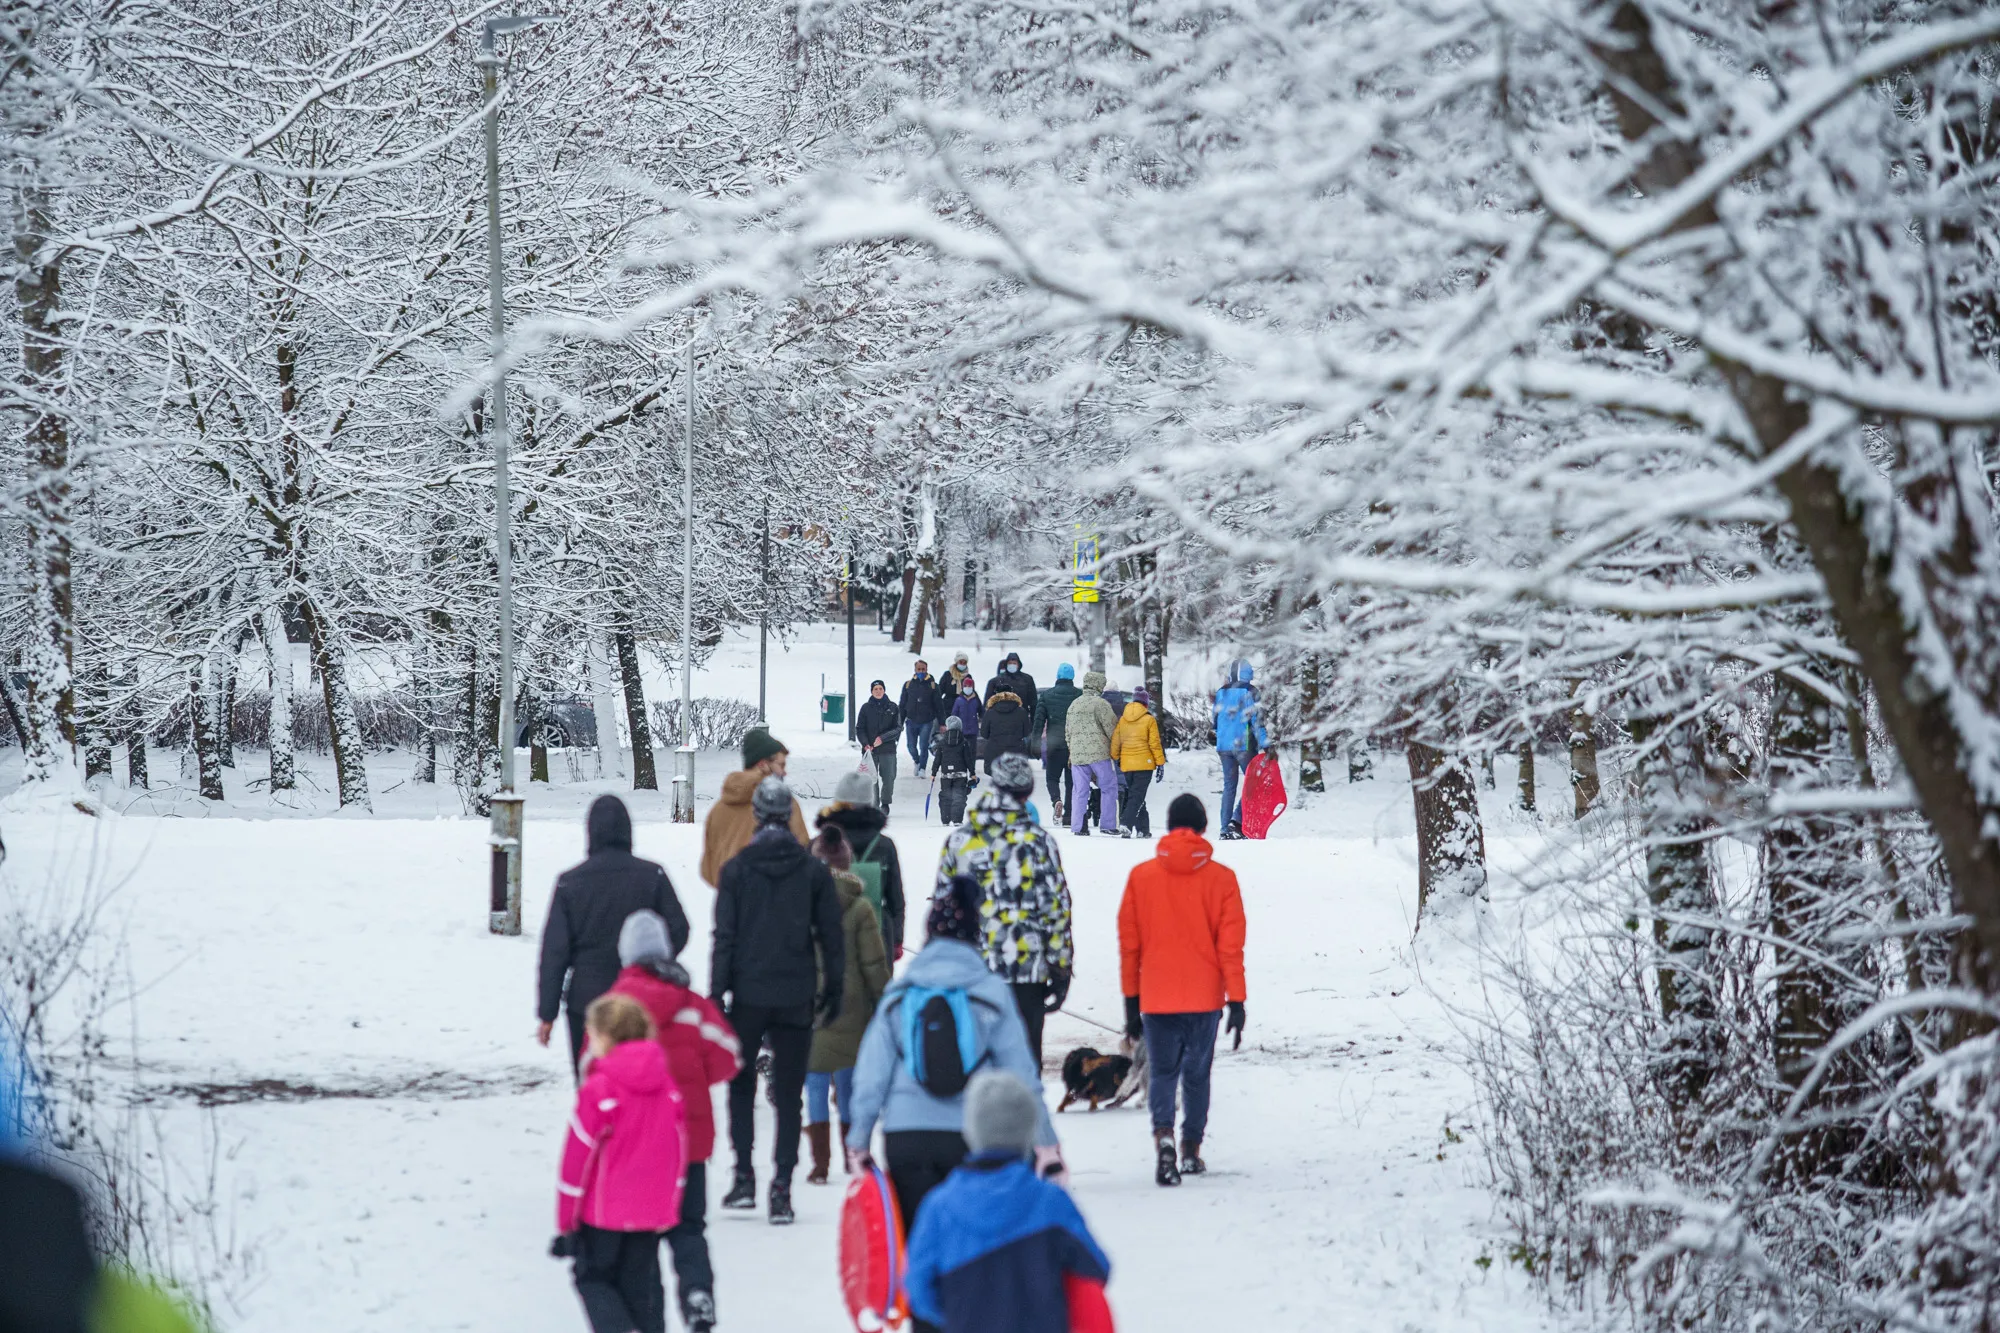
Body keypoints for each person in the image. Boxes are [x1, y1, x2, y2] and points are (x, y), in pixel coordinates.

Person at [844, 875, 1060, 1244]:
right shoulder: (991, 994)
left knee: (920, 1252)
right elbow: (1022, 1075)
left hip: (906, 1139)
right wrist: (1047, 1146)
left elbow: (870, 1077)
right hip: (973, 1140)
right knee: (971, 1254)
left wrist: (859, 1141)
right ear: (976, 936)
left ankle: (921, 1303)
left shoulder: (899, 995)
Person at [710, 776, 845, 1225]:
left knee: (741, 1086)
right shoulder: (812, 872)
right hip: (796, 992)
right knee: (789, 1094)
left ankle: (745, 1176)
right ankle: (782, 1187)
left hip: (747, 994)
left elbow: (724, 937)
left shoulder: (736, 869)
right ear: (788, 816)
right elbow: (831, 936)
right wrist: (833, 989)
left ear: (757, 815)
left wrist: (716, 991)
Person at [608, 911, 741, 1333]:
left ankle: (651, 1321)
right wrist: (697, 1076)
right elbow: (729, 1057)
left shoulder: (613, 1010)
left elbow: (594, 1070)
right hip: (688, 1143)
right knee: (688, 1228)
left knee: (642, 1237)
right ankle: (698, 1294)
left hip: (634, 1148)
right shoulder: (691, 1005)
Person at [903, 1072, 1112, 1333]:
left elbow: (918, 1288)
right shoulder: (1050, 1202)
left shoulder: (938, 1207)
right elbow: (1096, 1267)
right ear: (1029, 1133)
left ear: (970, 1131)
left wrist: (956, 1316)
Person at [1118, 794, 1247, 1187]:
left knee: (1162, 1073)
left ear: (1169, 825)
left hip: (1156, 998)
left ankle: (1163, 1138)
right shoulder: (1222, 879)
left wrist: (1130, 1004)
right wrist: (1237, 1000)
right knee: (1196, 1075)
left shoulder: (1141, 877)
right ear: (1204, 827)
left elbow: (1130, 946)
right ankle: (1191, 1149)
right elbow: (1230, 947)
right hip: (1205, 998)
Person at [554, 992, 688, 1333]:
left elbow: (576, 1159)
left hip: (602, 1214)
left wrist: (567, 1221)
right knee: (638, 1288)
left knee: (591, 1277)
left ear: (605, 1036)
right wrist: (670, 1205)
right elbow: (677, 1150)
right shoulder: (667, 1088)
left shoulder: (599, 1090)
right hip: (648, 1214)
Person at [935, 754, 1074, 1067]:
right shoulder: (1039, 842)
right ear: (1026, 794)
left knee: (975, 1063)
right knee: (1023, 1065)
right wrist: (1060, 966)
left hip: (973, 971)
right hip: (1026, 971)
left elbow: (942, 912)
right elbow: (1055, 908)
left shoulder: (959, 841)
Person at [538, 794, 692, 1074]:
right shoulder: (652, 875)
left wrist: (547, 1013)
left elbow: (554, 952)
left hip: (588, 1001)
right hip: (642, 1002)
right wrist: (655, 964)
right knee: (642, 1082)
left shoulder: (570, 883)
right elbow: (679, 929)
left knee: (592, 1086)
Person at [804, 827, 892, 1186]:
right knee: (850, 1085)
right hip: (851, 1008)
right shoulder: (859, 907)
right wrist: (883, 1003)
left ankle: (819, 1163)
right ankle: (852, 1153)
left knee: (813, 1086)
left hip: (811, 1007)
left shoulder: (799, 903)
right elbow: (873, 964)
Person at [701, 728, 809, 888]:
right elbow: (803, 855)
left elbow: (707, 869)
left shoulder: (718, 809)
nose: (784, 772)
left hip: (732, 905)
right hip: (776, 902)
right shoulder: (784, 804)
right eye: (781, 765)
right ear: (763, 765)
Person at [817, 771, 908, 958]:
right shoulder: (884, 845)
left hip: (829, 939)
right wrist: (897, 939)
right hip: (878, 936)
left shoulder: (819, 846)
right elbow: (895, 899)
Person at [1214, 662, 1267, 840]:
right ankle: (1236, 821)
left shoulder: (1222, 691)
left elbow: (1215, 718)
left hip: (1224, 746)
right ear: (1248, 673)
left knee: (1229, 787)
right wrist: (1265, 742)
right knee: (1255, 784)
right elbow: (1256, 720)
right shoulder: (1251, 691)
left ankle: (1224, 828)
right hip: (1244, 745)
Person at [1065, 671, 1119, 837]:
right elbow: (1112, 729)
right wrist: (1117, 748)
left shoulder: (1074, 704)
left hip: (1077, 755)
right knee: (1108, 788)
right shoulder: (1101, 704)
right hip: (1099, 754)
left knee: (1080, 790)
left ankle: (1078, 825)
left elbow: (1068, 731)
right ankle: (1107, 824)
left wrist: (1072, 749)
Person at [1110, 687, 1166, 839]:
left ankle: (1143, 830)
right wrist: (1160, 763)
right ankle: (1126, 824)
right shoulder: (1149, 719)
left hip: (1127, 765)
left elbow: (1116, 741)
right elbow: (1154, 743)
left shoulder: (1123, 719)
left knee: (1136, 795)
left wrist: (1116, 757)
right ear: (1146, 704)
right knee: (1137, 796)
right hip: (1144, 764)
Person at [1030, 663, 1080, 826]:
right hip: (1073, 745)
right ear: (1072, 677)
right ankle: (1069, 814)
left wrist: (1035, 744)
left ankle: (1056, 800)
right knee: (1071, 781)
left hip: (1054, 744)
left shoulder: (1047, 695)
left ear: (1057, 677)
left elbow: (1038, 722)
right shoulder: (1079, 696)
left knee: (1052, 778)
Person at [856, 680, 903, 815]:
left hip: (887, 749)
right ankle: (875, 805)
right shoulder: (865, 708)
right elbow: (860, 728)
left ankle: (886, 802)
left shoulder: (893, 707)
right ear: (871, 691)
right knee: (871, 778)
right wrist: (865, 743)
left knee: (889, 777)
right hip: (870, 750)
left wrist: (883, 738)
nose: (878, 691)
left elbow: (898, 728)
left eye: (880, 688)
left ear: (884, 690)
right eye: (875, 689)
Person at [931, 715, 978, 826]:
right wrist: (972, 773)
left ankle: (945, 820)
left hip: (945, 775)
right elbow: (968, 759)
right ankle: (957, 819)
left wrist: (933, 773)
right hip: (960, 774)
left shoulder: (942, 742)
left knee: (945, 796)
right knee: (959, 796)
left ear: (947, 727)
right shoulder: (964, 742)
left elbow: (938, 759)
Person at [978, 686, 1033, 775]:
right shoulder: (1021, 711)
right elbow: (1026, 732)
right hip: (1016, 751)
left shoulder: (990, 712)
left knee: (998, 781)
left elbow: (984, 733)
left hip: (995, 752)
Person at [901, 660, 941, 777]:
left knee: (923, 745)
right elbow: (902, 704)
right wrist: (899, 720)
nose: (921, 671)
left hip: (926, 721)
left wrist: (942, 722)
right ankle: (917, 761)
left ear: (927, 669)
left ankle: (922, 768)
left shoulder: (933, 686)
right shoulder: (908, 685)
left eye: (923, 669)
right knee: (911, 746)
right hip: (911, 720)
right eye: (919, 669)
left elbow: (939, 705)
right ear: (915, 670)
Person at [983, 651, 1039, 718]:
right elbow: (988, 703)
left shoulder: (1027, 680)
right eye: (1010, 663)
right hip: (1001, 717)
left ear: (1018, 664)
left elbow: (1033, 702)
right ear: (1006, 664)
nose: (1012, 665)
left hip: (1021, 717)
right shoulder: (997, 681)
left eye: (1014, 663)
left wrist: (1033, 721)